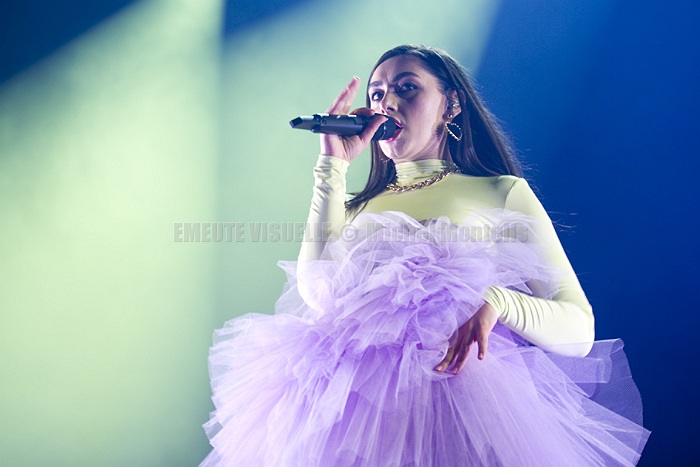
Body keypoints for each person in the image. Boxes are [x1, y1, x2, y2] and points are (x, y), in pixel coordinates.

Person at [202, 45, 650, 466]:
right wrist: (331, 167)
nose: (386, 102)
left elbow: (579, 330)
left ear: (451, 105)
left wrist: (499, 301)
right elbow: (318, 292)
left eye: (407, 88)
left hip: (458, 413)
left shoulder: (500, 192)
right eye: (377, 94)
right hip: (350, 417)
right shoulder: (354, 208)